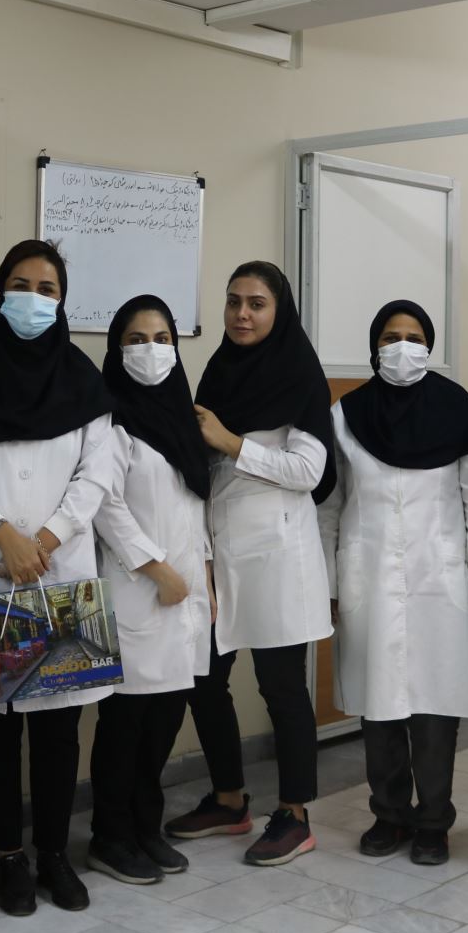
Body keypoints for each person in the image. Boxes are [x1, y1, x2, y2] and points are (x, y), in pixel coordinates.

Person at [0, 239, 115, 916]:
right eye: (20, 284)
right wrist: (1, 531)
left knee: (59, 731)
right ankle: (10, 855)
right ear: (1, 290)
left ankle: (55, 854)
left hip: (60, 569)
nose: (33, 298)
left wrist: (47, 538)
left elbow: (97, 473)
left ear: (63, 300)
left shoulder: (84, 378)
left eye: (47, 288)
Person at [164, 261, 335, 867]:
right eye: (234, 301)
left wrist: (232, 442)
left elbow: (309, 471)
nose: (242, 314)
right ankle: (229, 799)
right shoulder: (219, 370)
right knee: (204, 677)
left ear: (278, 311)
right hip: (220, 549)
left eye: (257, 303)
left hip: (277, 552)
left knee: (281, 686)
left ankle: (295, 814)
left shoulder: (300, 375)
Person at [317, 299, 468, 867]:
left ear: (429, 345)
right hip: (366, 572)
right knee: (380, 703)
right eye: (391, 337)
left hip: (439, 575)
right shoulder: (347, 416)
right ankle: (388, 814)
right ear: (374, 345)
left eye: (414, 337)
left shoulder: (458, 410)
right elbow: (330, 506)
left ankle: (434, 821)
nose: (402, 348)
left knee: (436, 706)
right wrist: (330, 584)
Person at [88, 295, 213, 885]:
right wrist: (155, 567)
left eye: (162, 339)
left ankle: (145, 827)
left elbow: (194, 506)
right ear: (117, 349)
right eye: (136, 340)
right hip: (136, 590)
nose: (151, 350)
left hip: (185, 595)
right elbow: (105, 506)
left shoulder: (184, 420)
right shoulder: (110, 422)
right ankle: (109, 836)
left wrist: (202, 576)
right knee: (125, 723)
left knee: (165, 717)